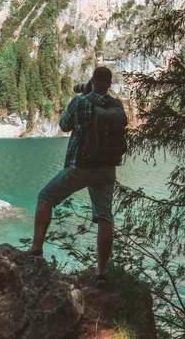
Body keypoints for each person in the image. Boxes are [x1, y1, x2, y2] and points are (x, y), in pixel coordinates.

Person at [29, 66, 122, 287]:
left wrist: (81, 97)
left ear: (92, 81)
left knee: (45, 198)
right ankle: (101, 273)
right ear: (109, 84)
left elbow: (63, 126)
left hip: (80, 165)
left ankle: (35, 250)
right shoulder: (116, 105)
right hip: (107, 168)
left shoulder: (80, 102)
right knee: (104, 217)